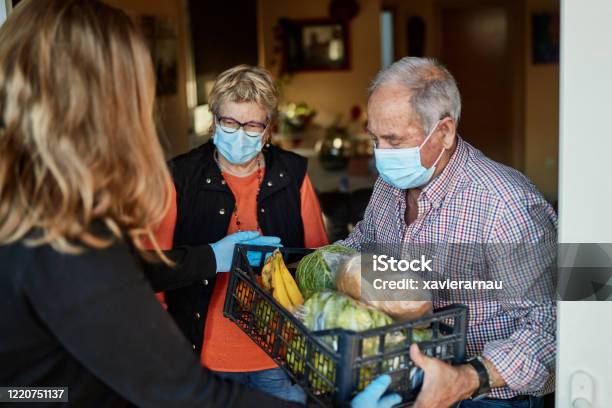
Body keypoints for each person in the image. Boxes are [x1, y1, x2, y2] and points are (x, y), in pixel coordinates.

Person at [0, 1, 395, 407]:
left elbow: (32, 386)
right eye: (139, 92)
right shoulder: (67, 236)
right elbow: (182, 391)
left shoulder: (37, 214)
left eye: (253, 124)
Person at [339, 57, 557, 408]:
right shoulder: (389, 185)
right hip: (405, 379)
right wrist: (312, 264)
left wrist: (468, 378)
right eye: (375, 139)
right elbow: (365, 242)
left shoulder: (506, 204)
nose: (381, 154)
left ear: (444, 132)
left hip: (487, 397)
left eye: (394, 140)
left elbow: (552, 326)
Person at [152, 65, 329, 403]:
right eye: (229, 122)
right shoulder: (179, 176)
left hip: (279, 357)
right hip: (204, 357)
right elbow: (156, 267)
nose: (239, 133)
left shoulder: (292, 174)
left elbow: (318, 262)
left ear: (268, 129)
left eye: (252, 125)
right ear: (213, 119)